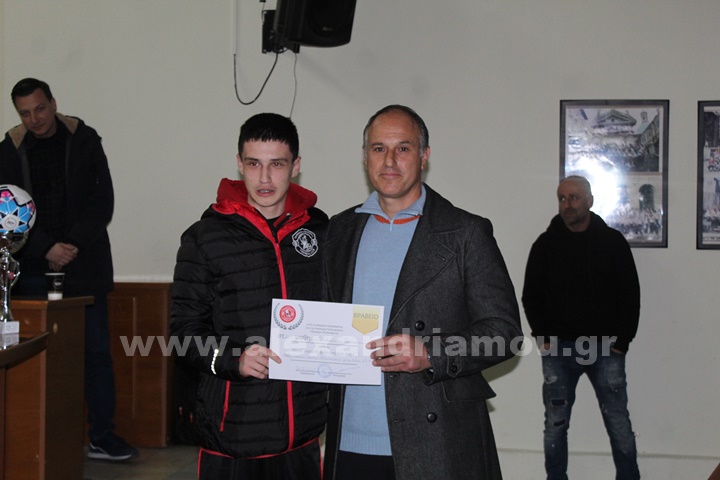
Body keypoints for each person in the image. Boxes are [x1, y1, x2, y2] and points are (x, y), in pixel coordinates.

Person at [322, 105, 523, 480]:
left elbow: (504, 333)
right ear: (365, 156)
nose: (390, 161)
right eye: (379, 148)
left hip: (437, 445)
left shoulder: (465, 233)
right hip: (348, 442)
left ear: (424, 156)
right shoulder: (338, 231)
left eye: (403, 148)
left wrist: (431, 353)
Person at [170, 113, 328, 479]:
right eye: (254, 164)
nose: (265, 178)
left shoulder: (321, 231)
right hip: (232, 434)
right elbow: (182, 334)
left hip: (302, 433)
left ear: (296, 166)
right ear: (240, 164)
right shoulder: (204, 237)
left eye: (277, 164)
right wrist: (233, 359)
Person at [0, 78, 138, 461]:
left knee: (96, 354)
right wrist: (46, 247)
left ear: (53, 103)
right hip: (30, 269)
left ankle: (102, 437)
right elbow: (7, 210)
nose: (34, 119)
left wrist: (71, 245)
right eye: (25, 113)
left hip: (85, 265)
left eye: (40, 109)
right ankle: (35, 443)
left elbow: (102, 199)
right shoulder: (9, 149)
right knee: (32, 357)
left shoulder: (85, 139)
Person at [522, 175, 641, 480]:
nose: (568, 204)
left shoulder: (612, 242)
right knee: (555, 424)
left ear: (590, 200)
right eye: (562, 198)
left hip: (607, 348)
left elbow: (630, 294)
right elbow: (531, 295)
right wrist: (543, 337)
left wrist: (622, 342)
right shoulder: (546, 245)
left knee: (618, 422)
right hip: (559, 349)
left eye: (574, 197)